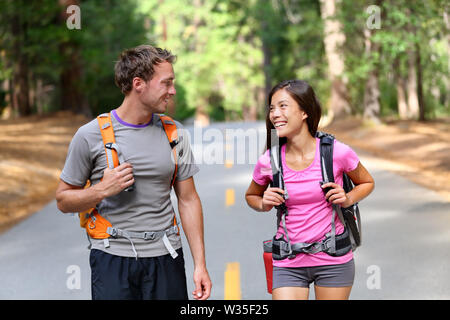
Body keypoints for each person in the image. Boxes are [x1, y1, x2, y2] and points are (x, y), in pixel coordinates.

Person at [56, 44, 211, 300]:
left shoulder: (175, 133)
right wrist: (101, 190)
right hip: (112, 258)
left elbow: (188, 199)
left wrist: (200, 264)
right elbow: (63, 200)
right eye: (166, 83)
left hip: (166, 256)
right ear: (139, 84)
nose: (172, 91)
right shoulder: (90, 135)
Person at [245, 79, 374, 300]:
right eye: (272, 108)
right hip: (288, 260)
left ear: (304, 112)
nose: (275, 114)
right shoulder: (270, 160)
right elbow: (251, 196)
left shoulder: (336, 152)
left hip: (333, 259)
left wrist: (347, 198)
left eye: (283, 106)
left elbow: (367, 182)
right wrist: (263, 202)